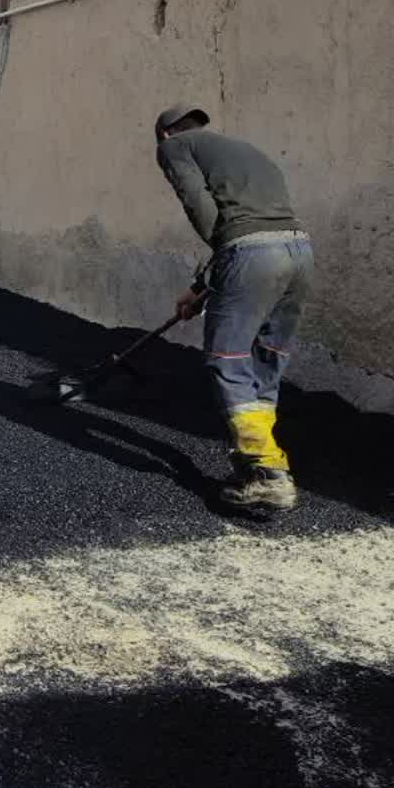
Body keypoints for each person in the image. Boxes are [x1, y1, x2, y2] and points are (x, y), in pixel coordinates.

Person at [155, 104, 314, 511]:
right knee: (267, 357)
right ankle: (254, 465)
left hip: (249, 257)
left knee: (226, 358)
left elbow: (200, 206)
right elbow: (252, 222)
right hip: (298, 253)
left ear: (167, 133)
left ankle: (269, 473)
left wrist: (223, 265)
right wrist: (203, 286)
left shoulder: (174, 147)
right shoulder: (246, 151)